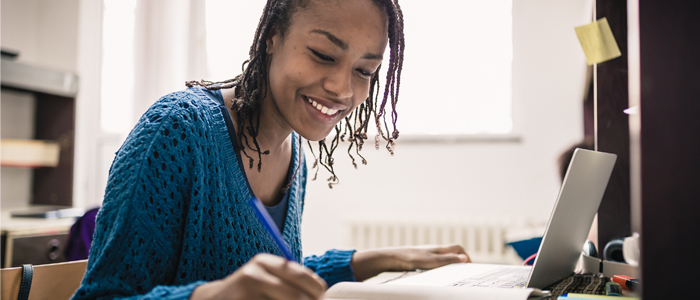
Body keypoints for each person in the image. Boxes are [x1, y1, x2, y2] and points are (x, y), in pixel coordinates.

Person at [73, 0, 470, 299]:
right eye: (323, 55)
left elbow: (273, 276)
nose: (343, 89)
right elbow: (104, 295)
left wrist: (377, 260)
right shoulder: (179, 130)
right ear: (271, 37)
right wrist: (214, 295)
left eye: (364, 71)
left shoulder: (293, 152)